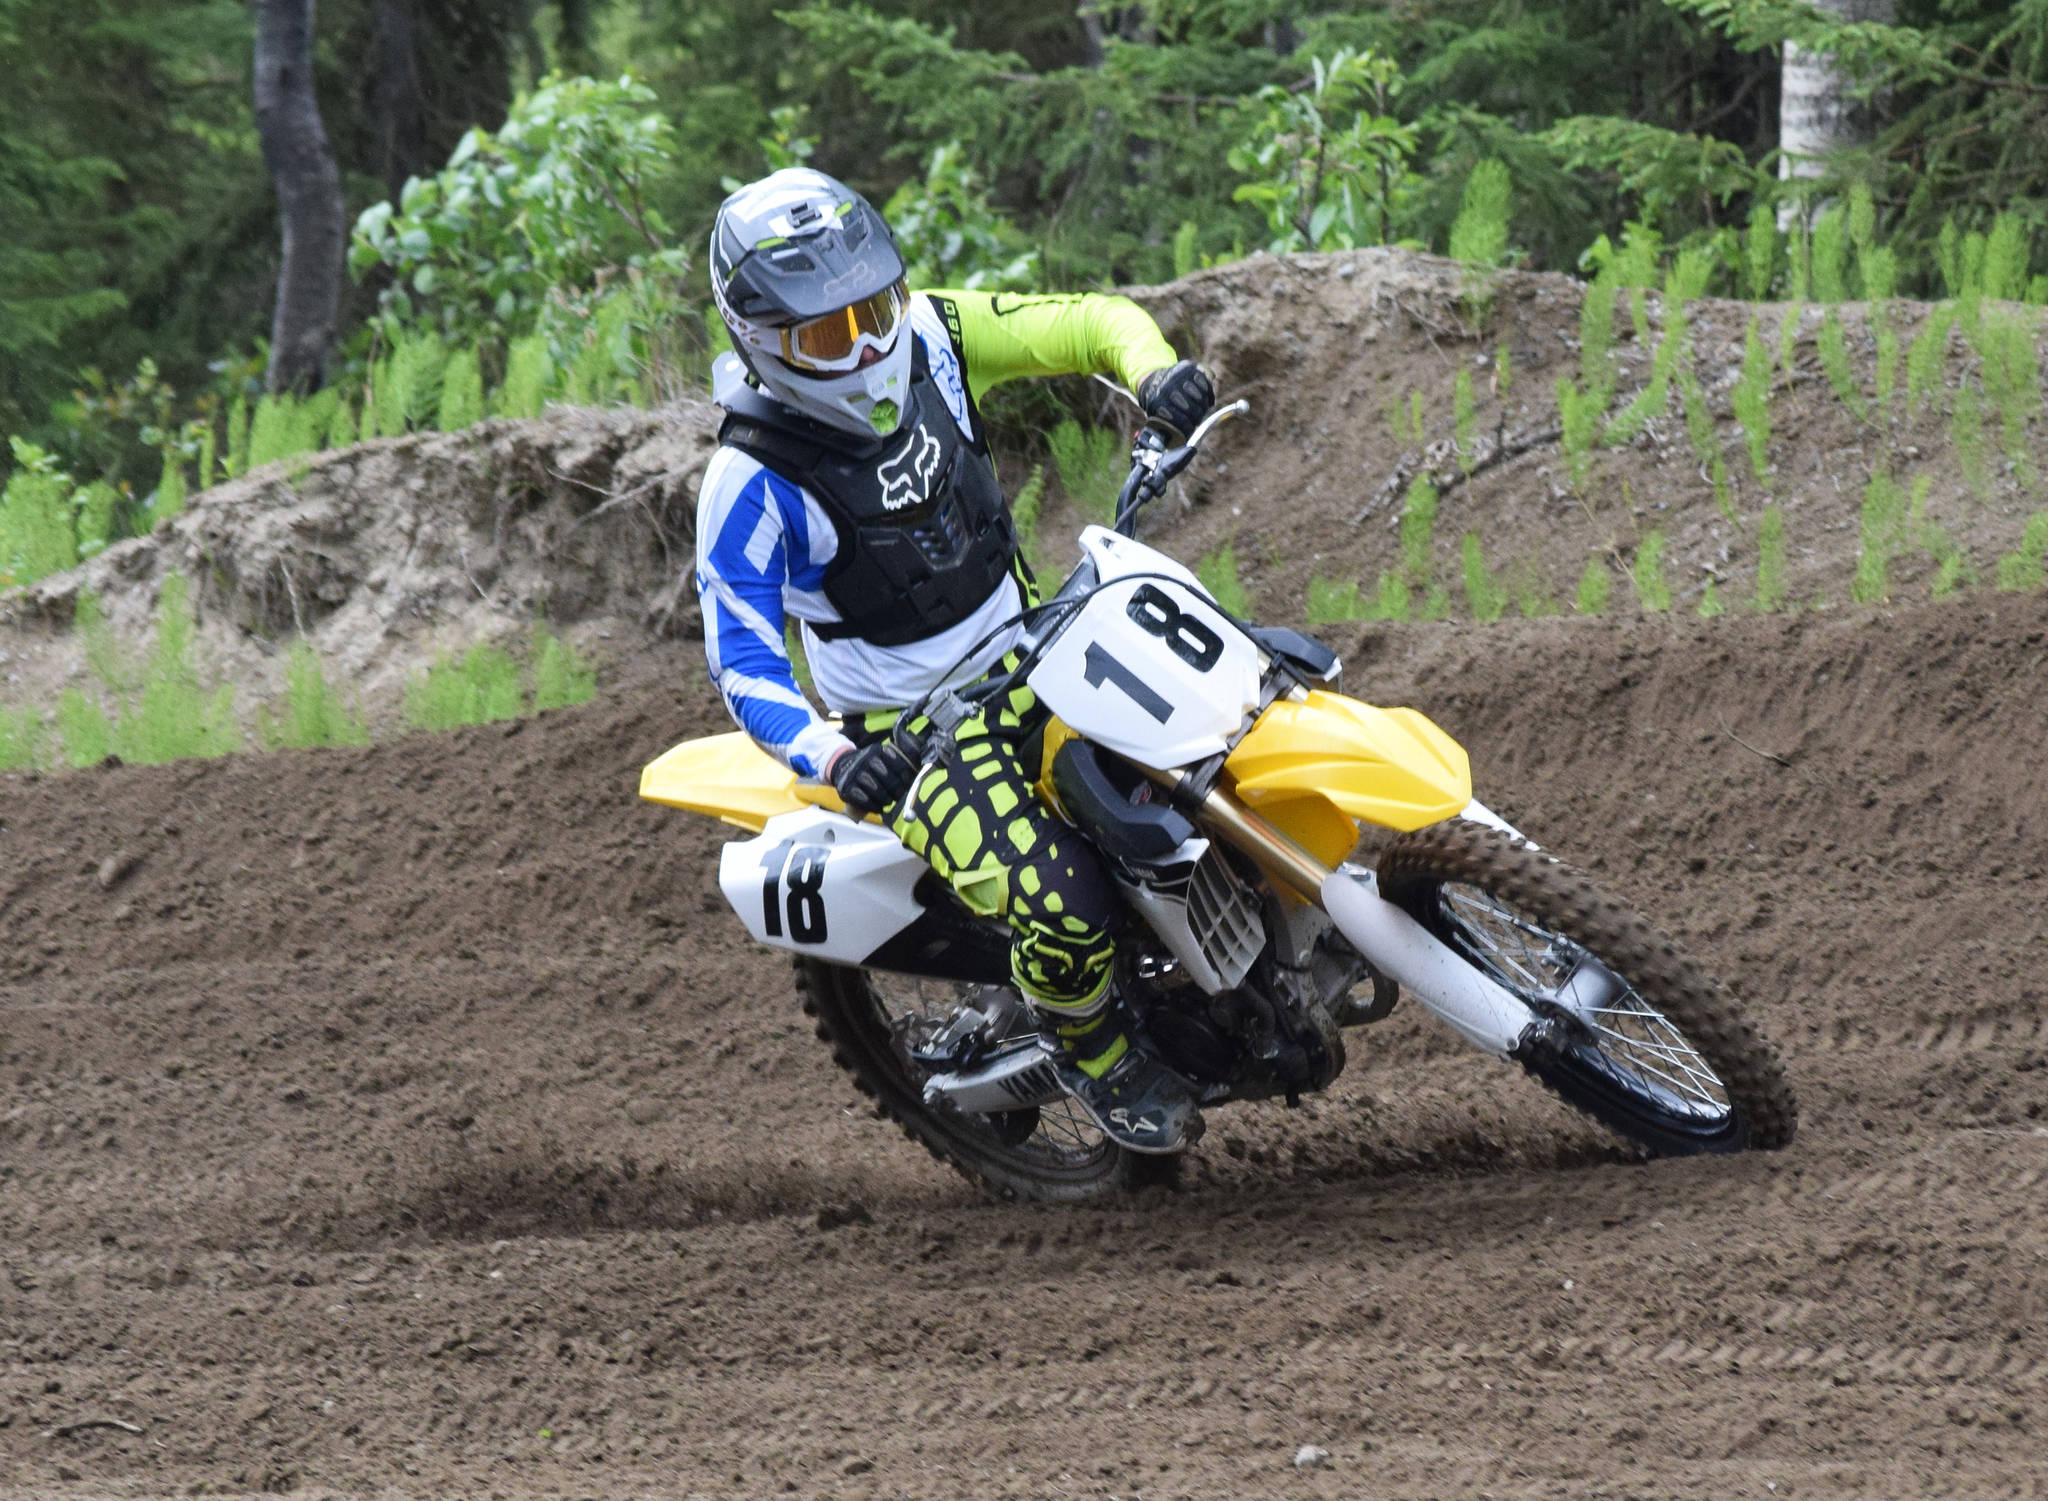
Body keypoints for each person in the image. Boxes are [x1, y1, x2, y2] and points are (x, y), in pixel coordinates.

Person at [695, 167, 1216, 1153]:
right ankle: (1090, 1050)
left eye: (874, 310)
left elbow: (1086, 321)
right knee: (1062, 904)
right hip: (916, 737)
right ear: (761, 342)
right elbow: (742, 662)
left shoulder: (932, 332)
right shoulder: (748, 480)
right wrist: (838, 760)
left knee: (1225, 735)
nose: (866, 346)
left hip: (1041, 645)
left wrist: (1151, 372)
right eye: (826, 335)